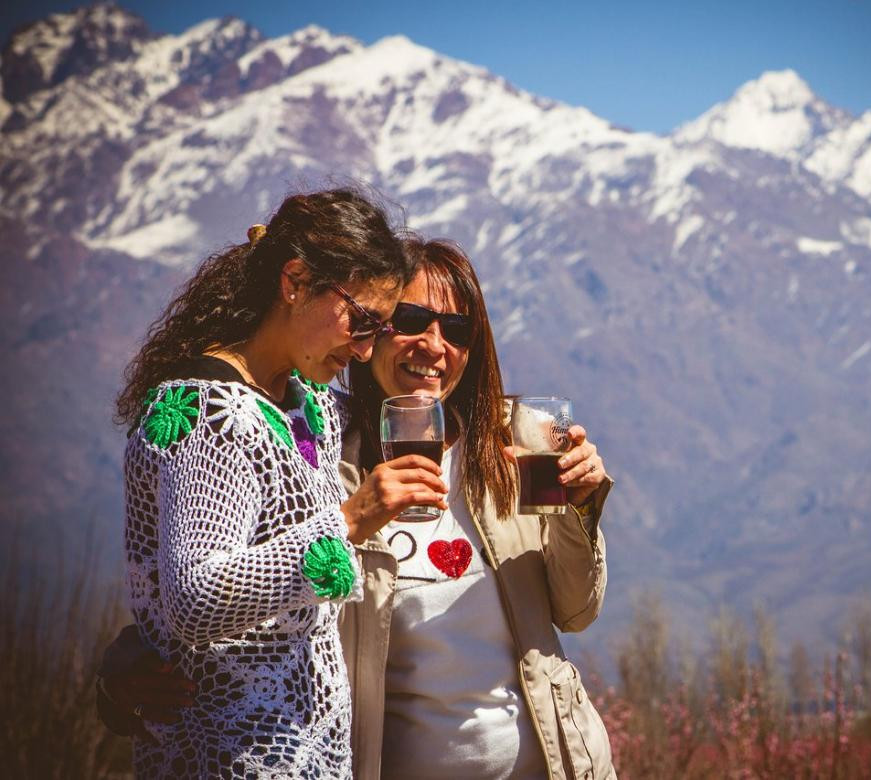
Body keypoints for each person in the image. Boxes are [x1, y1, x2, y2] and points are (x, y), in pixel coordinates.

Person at [102, 234, 616, 779]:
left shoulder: (515, 444)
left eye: (458, 329)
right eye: (411, 319)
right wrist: (128, 661)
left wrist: (579, 508)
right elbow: (232, 581)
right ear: (371, 330)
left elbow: (577, 610)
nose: (434, 345)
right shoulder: (322, 458)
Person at [112, 189, 440, 778]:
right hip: (225, 759)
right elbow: (194, 598)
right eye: (361, 321)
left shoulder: (308, 404)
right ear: (294, 281)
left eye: (379, 329)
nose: (366, 350)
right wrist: (348, 521)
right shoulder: (206, 413)